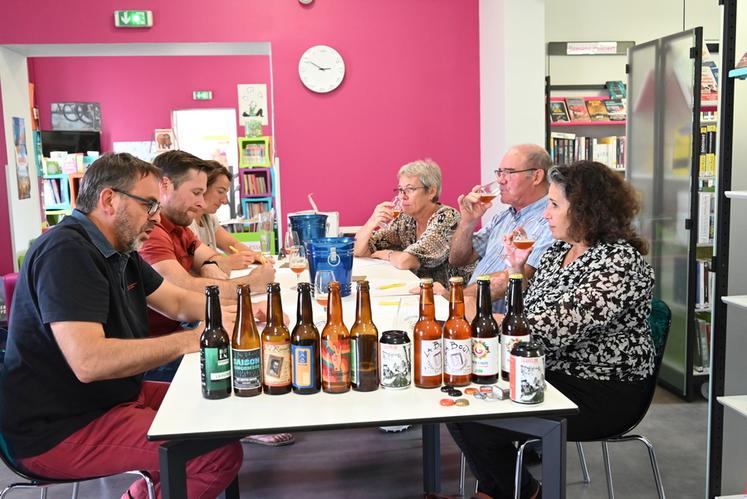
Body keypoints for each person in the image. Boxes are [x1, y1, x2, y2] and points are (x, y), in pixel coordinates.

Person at [0, 153, 248, 498]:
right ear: (109, 200)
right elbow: (90, 362)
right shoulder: (66, 252)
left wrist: (249, 310)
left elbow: (176, 302)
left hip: (112, 399)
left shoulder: (121, 249)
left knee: (220, 406)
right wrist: (185, 341)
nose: (156, 216)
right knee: (211, 454)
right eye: (148, 204)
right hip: (59, 426)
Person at [448, 161, 656, 499]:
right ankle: (502, 491)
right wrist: (516, 270)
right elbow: (530, 312)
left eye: (554, 204)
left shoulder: (620, 263)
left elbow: (548, 330)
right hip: (549, 370)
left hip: (600, 390)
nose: (545, 215)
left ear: (589, 210)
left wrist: (480, 321)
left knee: (473, 416)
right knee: (463, 397)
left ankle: (524, 493)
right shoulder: (559, 251)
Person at [139, 150, 275, 337]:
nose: (202, 204)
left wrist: (208, 265)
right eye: (196, 193)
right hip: (167, 345)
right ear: (165, 185)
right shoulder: (152, 231)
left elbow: (213, 258)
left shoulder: (181, 228)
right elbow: (182, 289)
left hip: (190, 324)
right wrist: (252, 284)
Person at [448, 144, 555, 319]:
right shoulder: (503, 217)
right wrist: (468, 222)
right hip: (469, 311)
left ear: (536, 176)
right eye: (499, 172)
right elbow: (458, 259)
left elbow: (514, 278)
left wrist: (456, 298)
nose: (500, 180)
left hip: (499, 325)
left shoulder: (550, 220)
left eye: (509, 173)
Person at [353, 158, 473, 287]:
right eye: (400, 190)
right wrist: (372, 221)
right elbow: (358, 250)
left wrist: (387, 254)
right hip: (420, 291)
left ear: (431, 192)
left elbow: (407, 261)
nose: (402, 196)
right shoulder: (406, 219)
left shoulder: (447, 217)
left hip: (452, 298)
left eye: (410, 189)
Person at [188, 160, 267, 274]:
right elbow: (197, 264)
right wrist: (227, 262)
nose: (225, 201)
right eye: (220, 191)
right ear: (202, 187)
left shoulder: (209, 218)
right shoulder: (186, 224)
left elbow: (232, 245)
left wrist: (255, 257)